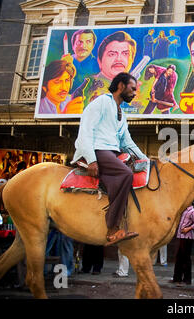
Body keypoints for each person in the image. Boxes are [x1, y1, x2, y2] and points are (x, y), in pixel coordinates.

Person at [71, 72, 148, 245]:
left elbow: (128, 143)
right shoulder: (101, 102)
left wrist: (146, 160)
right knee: (126, 174)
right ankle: (112, 228)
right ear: (121, 85)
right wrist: (91, 159)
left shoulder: (121, 113)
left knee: (134, 171)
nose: (135, 93)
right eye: (132, 88)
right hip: (97, 150)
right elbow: (85, 131)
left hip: (111, 153)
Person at [84, 31, 137, 104]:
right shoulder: (86, 86)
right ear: (100, 61)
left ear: (132, 59)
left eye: (125, 54)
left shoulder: (136, 90)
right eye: (112, 54)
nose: (119, 59)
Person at [171, 205, 194, 287]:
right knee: (179, 257)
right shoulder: (183, 210)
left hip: (187, 237)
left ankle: (187, 280)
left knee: (185, 258)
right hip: (181, 236)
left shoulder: (192, 211)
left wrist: (188, 228)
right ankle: (177, 278)